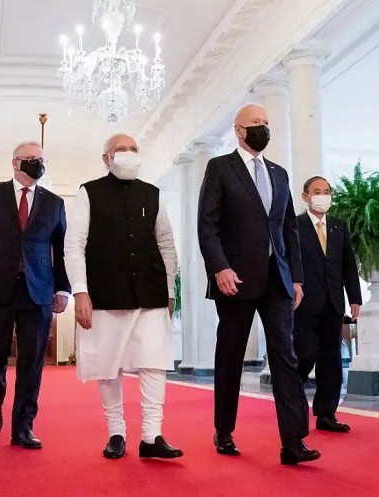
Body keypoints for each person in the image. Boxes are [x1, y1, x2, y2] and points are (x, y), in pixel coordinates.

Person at [197, 102, 319, 465]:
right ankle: (224, 430)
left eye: (267, 122)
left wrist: (296, 277)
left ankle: (293, 441)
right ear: (239, 129)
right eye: (256, 123)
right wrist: (219, 267)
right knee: (231, 354)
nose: (263, 128)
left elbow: (288, 230)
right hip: (235, 278)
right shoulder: (220, 168)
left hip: (277, 280)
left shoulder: (279, 174)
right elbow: (207, 224)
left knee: (286, 356)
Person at [65, 133, 183, 460]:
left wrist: (170, 288)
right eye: (121, 150)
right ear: (106, 158)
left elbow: (167, 244)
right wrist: (81, 292)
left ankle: (152, 435)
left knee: (154, 361)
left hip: (150, 291)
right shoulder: (89, 193)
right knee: (108, 364)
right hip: (105, 293)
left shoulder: (153, 194)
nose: (128, 154)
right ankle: (116, 433)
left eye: (133, 149)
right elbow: (74, 245)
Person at [0, 141, 70, 449]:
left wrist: (63, 289)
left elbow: (62, 252)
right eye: (32, 159)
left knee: (32, 362)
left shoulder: (54, 203)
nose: (38, 164)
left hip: (38, 292)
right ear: (15, 163)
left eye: (42, 160)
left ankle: (23, 426)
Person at [293, 176, 362, 433]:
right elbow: (288, 259)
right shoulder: (295, 226)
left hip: (333, 302)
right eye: (316, 191)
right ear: (306, 196)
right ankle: (293, 405)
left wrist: (354, 297)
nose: (322, 196)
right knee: (305, 354)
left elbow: (347, 264)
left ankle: (326, 414)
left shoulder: (338, 226)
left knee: (331, 360)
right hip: (304, 302)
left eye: (326, 191)